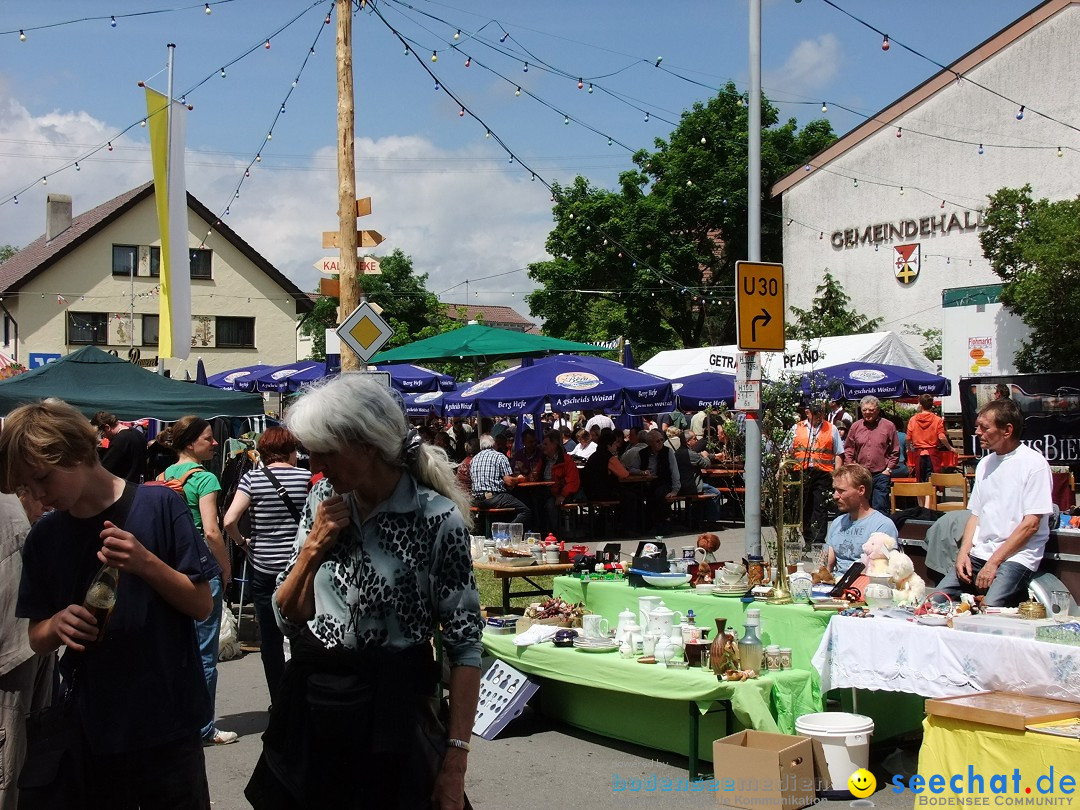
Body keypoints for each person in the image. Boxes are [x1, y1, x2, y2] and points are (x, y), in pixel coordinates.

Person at [245, 374, 483, 810]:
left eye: (326, 452)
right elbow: (287, 616)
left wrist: (455, 762)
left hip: (398, 721)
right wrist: (312, 550)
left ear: (368, 445)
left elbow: (465, 648)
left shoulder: (436, 519)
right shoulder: (322, 499)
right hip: (318, 716)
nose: (317, 465)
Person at [2, 398, 217, 808]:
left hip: (167, 724)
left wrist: (146, 563)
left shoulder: (159, 506)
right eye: (26, 487)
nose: (39, 495)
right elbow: (36, 637)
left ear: (78, 453)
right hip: (93, 728)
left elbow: (202, 605)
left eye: (43, 479)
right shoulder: (46, 538)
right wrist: (57, 625)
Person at [157, 416, 237, 746]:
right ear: (191, 443)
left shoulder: (162, 476)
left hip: (171, 568)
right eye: (208, 438)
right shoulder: (205, 479)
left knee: (176, 649)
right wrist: (225, 567)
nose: (215, 442)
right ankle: (203, 727)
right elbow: (213, 530)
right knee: (205, 654)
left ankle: (173, 720)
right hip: (201, 567)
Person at [222, 427, 312, 706]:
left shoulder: (252, 478)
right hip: (299, 568)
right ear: (289, 450)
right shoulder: (306, 478)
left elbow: (229, 521)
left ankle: (279, 699)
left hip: (263, 567)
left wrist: (242, 543)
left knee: (270, 639)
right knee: (302, 633)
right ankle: (301, 695)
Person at [934, 399, 1052, 607]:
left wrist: (994, 562)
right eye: (978, 426)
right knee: (933, 603)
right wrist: (963, 553)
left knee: (990, 609)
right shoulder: (985, 464)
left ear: (1007, 430)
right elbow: (975, 515)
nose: (977, 432)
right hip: (980, 554)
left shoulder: (1034, 464)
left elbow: (1031, 524)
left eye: (984, 427)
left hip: (1017, 556)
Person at [0, 492, 55, 810]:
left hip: (25, 660)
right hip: (13, 666)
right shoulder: (15, 523)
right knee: (11, 773)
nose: (47, 504)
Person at [825, 463, 898, 576]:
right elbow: (826, 565)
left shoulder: (882, 526)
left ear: (861, 490)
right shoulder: (837, 522)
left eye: (841, 490)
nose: (835, 496)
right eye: (835, 490)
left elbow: (884, 571)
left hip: (865, 586)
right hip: (834, 585)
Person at [787, 402, 843, 547]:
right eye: (815, 412)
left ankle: (818, 539)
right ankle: (808, 538)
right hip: (801, 471)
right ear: (807, 413)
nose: (819, 416)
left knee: (820, 506)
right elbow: (786, 450)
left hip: (823, 472)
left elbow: (838, 453)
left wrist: (837, 475)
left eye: (821, 412)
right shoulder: (797, 428)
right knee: (804, 506)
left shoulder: (831, 428)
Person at [843, 395, 899, 513]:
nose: (867, 413)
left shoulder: (888, 426)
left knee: (880, 507)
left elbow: (895, 450)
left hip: (880, 474)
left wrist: (888, 469)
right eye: (864, 410)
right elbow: (848, 449)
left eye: (871, 410)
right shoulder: (855, 426)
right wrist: (851, 466)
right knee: (861, 508)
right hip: (861, 475)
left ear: (878, 410)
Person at [469, 434, 532, 527]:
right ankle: (507, 530)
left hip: (477, 500)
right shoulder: (499, 456)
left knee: (509, 501)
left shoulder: (473, 460)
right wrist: (519, 479)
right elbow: (509, 482)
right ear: (494, 444)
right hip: (494, 498)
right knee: (525, 511)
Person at [536, 430, 582, 534]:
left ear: (554, 445)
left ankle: (555, 534)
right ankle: (540, 532)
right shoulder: (543, 460)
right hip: (545, 491)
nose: (543, 446)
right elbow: (536, 475)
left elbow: (573, 481)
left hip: (560, 493)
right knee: (533, 501)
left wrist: (563, 495)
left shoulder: (566, 460)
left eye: (546, 444)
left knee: (549, 505)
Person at [638, 429, 680, 530]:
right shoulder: (642, 453)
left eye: (662, 439)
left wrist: (675, 490)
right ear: (650, 443)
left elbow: (674, 470)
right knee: (637, 496)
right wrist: (642, 473)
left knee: (659, 495)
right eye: (658, 441)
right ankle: (647, 524)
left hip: (664, 483)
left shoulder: (667, 451)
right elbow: (634, 468)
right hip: (647, 483)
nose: (661, 442)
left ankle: (664, 523)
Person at [90, 411, 147, 484]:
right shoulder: (137, 433)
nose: (104, 437)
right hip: (139, 483)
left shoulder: (119, 441)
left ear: (107, 427)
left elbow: (105, 468)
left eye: (102, 434)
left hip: (127, 487)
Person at [906, 393, 951, 482]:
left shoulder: (913, 419)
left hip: (918, 453)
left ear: (920, 405)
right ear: (931, 405)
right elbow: (941, 436)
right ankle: (931, 496)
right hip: (932, 453)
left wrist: (909, 449)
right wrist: (950, 448)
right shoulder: (937, 419)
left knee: (921, 481)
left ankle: (923, 496)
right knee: (932, 481)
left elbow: (908, 437)